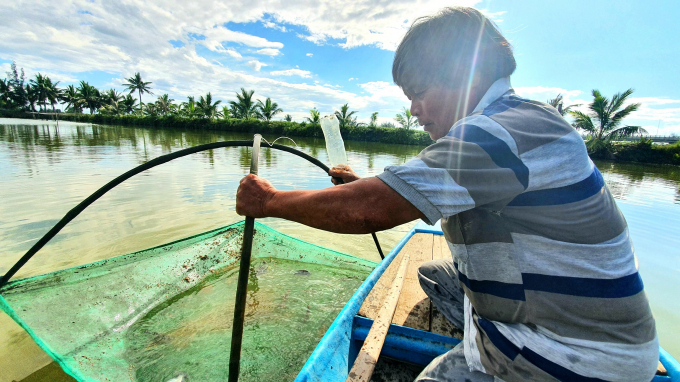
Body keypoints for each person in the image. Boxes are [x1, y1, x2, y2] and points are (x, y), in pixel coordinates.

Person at [236, 7, 658, 382]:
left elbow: (369, 211)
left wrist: (270, 201)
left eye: (420, 93)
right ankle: (484, 334)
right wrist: (363, 185)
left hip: (579, 359)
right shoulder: (516, 123)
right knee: (434, 273)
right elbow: (407, 193)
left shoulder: (498, 131)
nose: (415, 109)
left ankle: (495, 353)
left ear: (466, 75)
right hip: (596, 331)